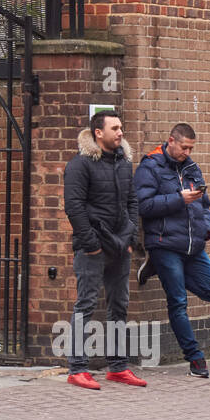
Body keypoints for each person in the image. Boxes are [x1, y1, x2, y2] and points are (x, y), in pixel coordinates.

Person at [62, 110, 145, 389]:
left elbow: (132, 201)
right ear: (99, 133)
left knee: (119, 306)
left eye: (121, 127)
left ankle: (118, 367)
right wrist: (92, 245)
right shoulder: (80, 165)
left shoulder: (123, 162)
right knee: (85, 306)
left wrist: (131, 236)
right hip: (93, 249)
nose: (121, 133)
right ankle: (77, 368)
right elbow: (74, 208)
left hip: (121, 247)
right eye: (115, 128)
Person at [134, 123, 210, 378]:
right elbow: (142, 205)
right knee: (178, 302)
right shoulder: (150, 166)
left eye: (191, 148)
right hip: (164, 243)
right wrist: (178, 199)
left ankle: (158, 268)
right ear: (171, 141)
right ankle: (196, 360)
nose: (187, 152)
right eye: (184, 147)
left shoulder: (192, 167)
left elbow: (205, 204)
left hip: (193, 245)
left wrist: (205, 229)